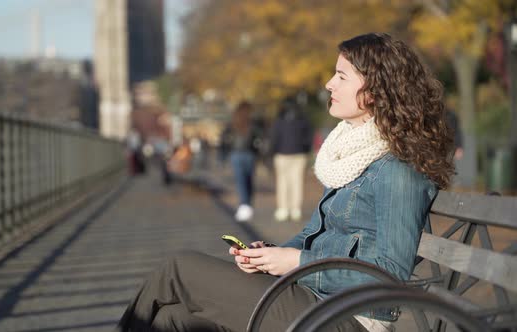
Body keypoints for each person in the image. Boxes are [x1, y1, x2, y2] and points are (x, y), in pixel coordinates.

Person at [116, 33, 454, 332]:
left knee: (178, 269)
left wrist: (295, 263)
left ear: (375, 90)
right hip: (312, 299)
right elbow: (311, 236)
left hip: (348, 318)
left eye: (341, 76)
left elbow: (390, 274)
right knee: (170, 320)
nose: (328, 84)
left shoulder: (397, 169)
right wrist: (270, 255)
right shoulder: (353, 154)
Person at [269, 98, 313, 222]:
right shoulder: (303, 121)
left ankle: (283, 209)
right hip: (299, 154)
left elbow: (274, 139)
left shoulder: (279, 121)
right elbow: (308, 138)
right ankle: (295, 209)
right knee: (297, 182)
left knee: (282, 182)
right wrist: (305, 149)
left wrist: (271, 152)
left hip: (281, 155)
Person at [227, 101, 259, 222]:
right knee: (249, 180)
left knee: (241, 180)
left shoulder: (234, 122)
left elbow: (226, 137)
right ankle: (247, 204)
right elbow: (258, 137)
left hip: (236, 153)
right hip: (249, 154)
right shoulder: (252, 122)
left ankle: (244, 205)